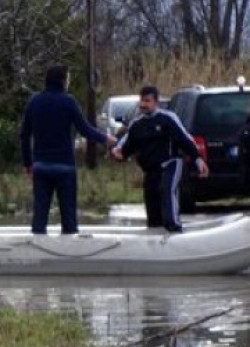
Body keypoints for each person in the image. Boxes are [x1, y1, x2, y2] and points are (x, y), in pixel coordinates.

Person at [21, 65, 116, 234]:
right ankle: (69, 245)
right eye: (68, 79)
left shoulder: (34, 101)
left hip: (41, 166)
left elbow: (24, 135)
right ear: (63, 80)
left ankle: (37, 244)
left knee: (40, 214)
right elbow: (84, 129)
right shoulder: (68, 101)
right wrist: (105, 138)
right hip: (64, 166)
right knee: (68, 214)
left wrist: (28, 164)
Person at [111, 86, 209, 232]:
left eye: (147, 101)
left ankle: (174, 226)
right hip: (151, 169)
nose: (143, 104)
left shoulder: (167, 119)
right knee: (152, 200)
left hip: (171, 164)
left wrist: (198, 159)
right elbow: (127, 148)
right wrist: (119, 155)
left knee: (166, 190)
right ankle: (155, 230)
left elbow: (185, 140)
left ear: (156, 102)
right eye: (142, 101)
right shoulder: (137, 125)